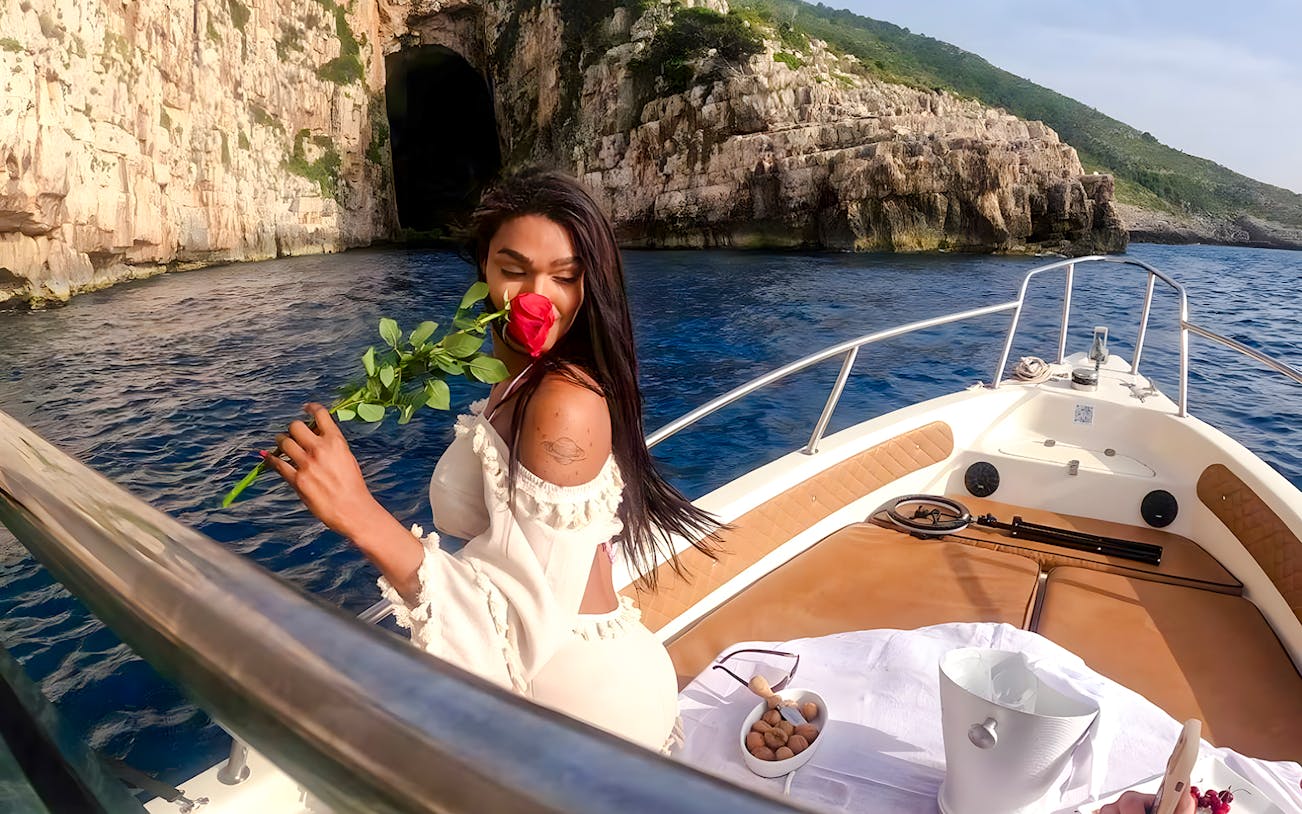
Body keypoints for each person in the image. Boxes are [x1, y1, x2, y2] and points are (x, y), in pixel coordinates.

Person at [262, 168, 721, 751]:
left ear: (591, 286)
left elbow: (516, 633)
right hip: (554, 688)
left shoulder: (565, 404)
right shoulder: (521, 379)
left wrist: (356, 510)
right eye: (514, 270)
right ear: (483, 271)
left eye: (565, 277)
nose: (537, 297)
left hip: (582, 709)